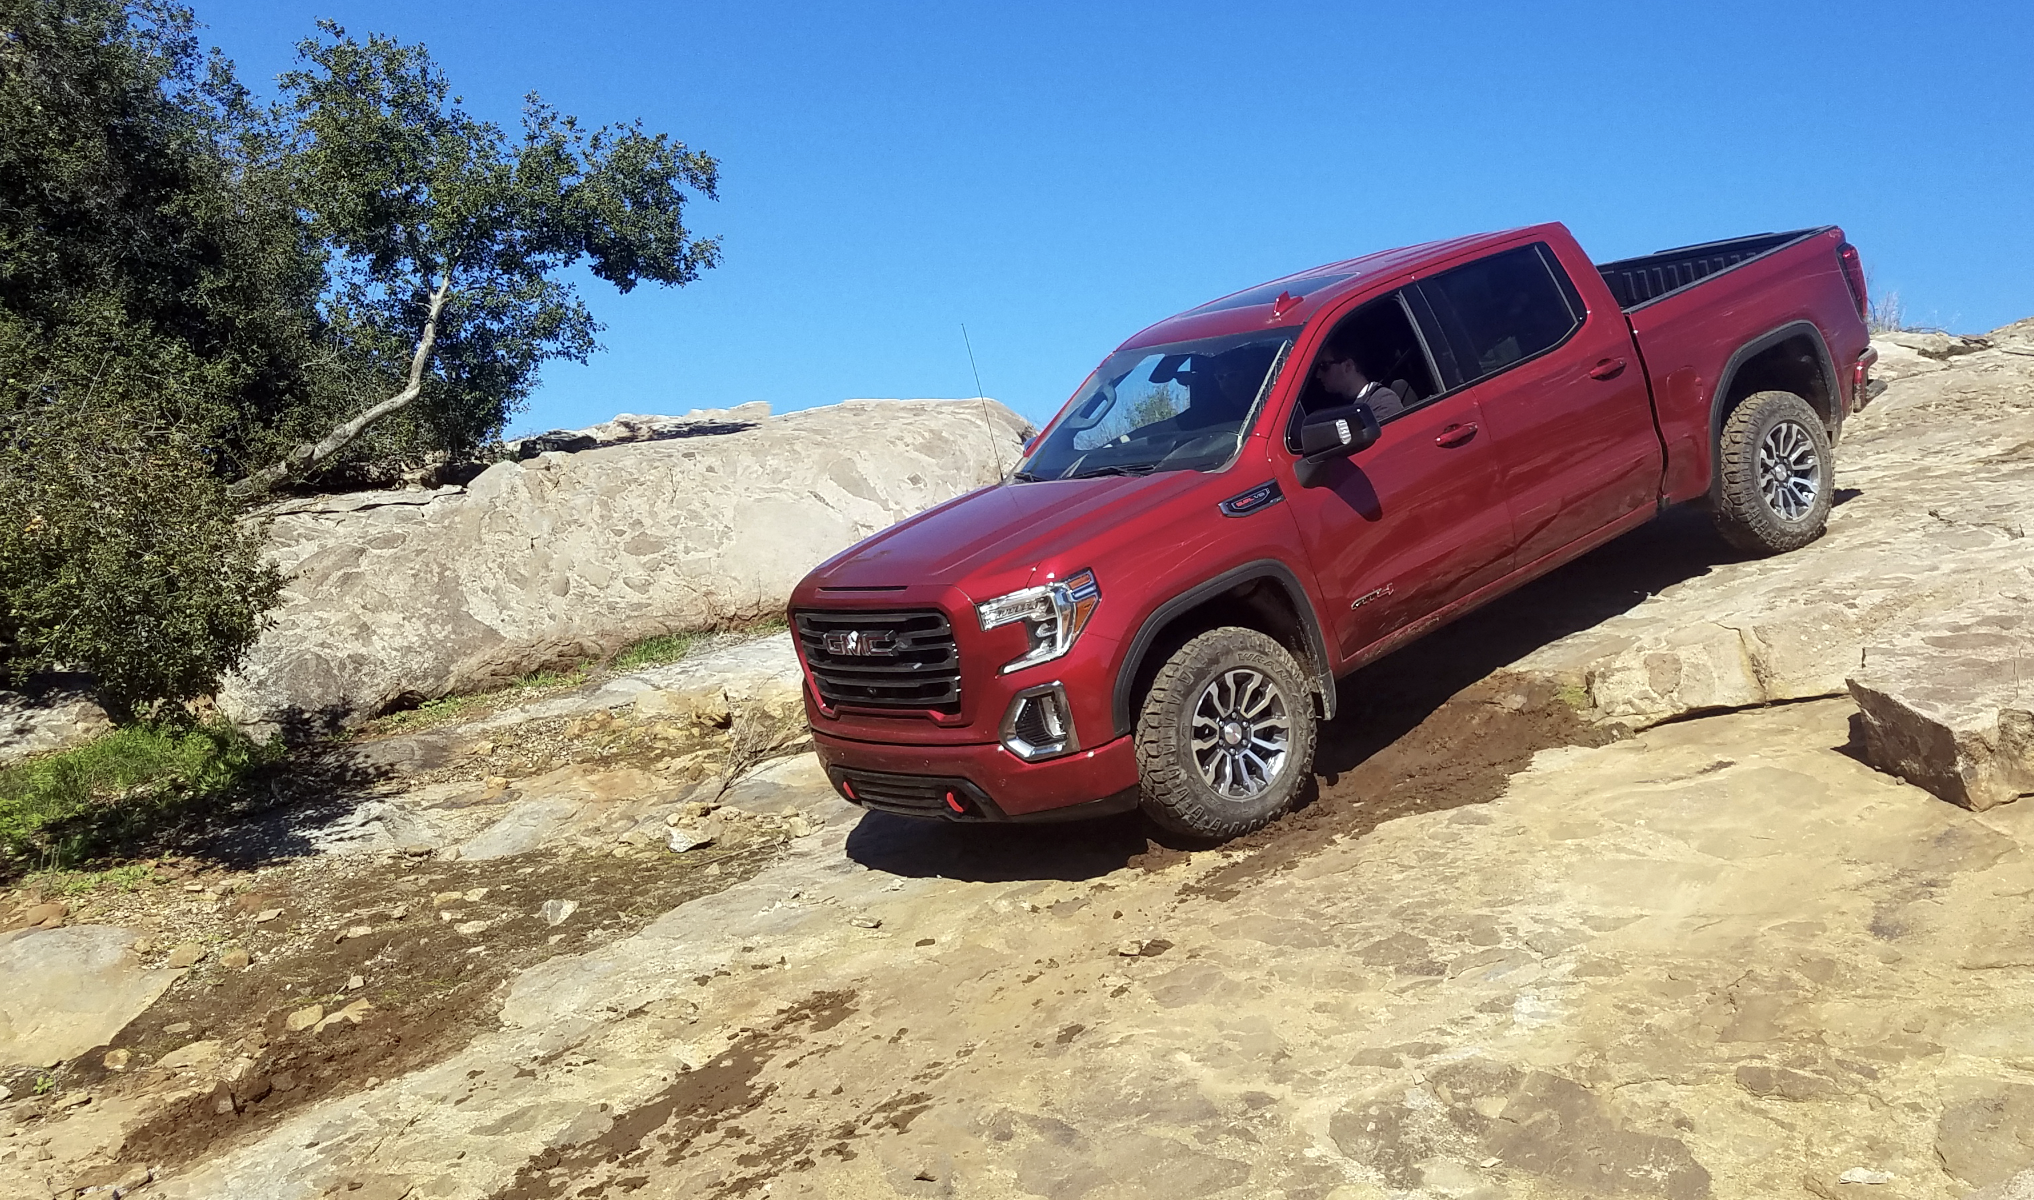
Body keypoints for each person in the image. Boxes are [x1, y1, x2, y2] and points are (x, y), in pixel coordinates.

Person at [1313, 345, 1406, 420]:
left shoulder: (1382, 401)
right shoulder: (1338, 406)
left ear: (1348, 366)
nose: (1318, 374)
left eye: (1324, 366)